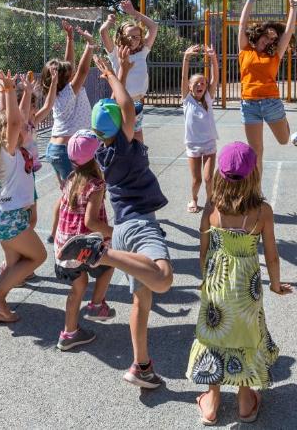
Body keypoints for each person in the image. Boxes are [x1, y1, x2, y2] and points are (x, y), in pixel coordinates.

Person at [56, 48, 175, 389]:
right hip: (138, 226)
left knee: (143, 296)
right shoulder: (121, 147)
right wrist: (110, 74)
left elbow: (117, 109)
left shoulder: (104, 150)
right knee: (163, 279)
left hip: (122, 229)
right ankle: (100, 254)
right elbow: (123, 106)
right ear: (121, 126)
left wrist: (118, 71)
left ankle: (142, 366)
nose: (134, 119)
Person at [187, 142, 290, 425]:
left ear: (220, 174)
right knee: (246, 334)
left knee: (214, 334)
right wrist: (276, 285)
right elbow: (272, 255)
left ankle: (212, 400)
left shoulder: (212, 208)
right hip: (247, 286)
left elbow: (204, 249)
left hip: (217, 283)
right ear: (253, 175)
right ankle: (245, 401)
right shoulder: (262, 212)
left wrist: (205, 278)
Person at [0, 71, 48, 322]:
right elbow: (13, 122)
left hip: (8, 215)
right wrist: (9, 91)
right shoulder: (8, 153)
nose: (22, 126)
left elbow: (14, 120)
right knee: (38, 256)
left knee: (13, 265)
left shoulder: (13, 150)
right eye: (17, 126)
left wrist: (26, 91)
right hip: (9, 217)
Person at [52, 130, 117, 351]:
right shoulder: (95, 185)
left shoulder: (71, 178)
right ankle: (97, 305)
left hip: (65, 247)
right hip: (81, 245)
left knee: (78, 286)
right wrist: (113, 231)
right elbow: (90, 222)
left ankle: (68, 334)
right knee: (110, 265)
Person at [237, 0, 297, 168]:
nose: (271, 39)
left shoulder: (274, 55)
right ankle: (256, 191)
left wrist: (294, 7)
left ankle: (284, 120)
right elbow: (242, 25)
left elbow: (289, 31)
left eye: (274, 38)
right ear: (260, 32)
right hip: (249, 104)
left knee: (283, 140)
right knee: (256, 151)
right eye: (269, 35)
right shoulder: (245, 49)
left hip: (271, 102)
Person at [41, 21, 96, 242]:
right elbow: (81, 69)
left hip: (56, 149)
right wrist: (89, 46)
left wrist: (70, 40)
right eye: (68, 72)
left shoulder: (60, 91)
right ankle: (68, 235)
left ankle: (55, 233)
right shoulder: (68, 92)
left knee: (67, 192)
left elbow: (70, 66)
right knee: (76, 195)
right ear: (66, 78)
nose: (72, 70)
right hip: (66, 151)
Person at [100, 0, 159, 143]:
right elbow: (103, 31)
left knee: (138, 140)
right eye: (130, 36)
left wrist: (133, 13)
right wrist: (108, 21)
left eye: (137, 37)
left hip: (137, 103)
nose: (134, 40)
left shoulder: (142, 52)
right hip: (121, 104)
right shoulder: (115, 53)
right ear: (121, 36)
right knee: (120, 141)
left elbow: (153, 27)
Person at [181, 43, 220, 213]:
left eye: (203, 83)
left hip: (209, 143)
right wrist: (186, 58)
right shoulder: (187, 100)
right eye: (196, 83)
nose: (200, 85)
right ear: (190, 87)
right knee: (197, 180)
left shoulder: (209, 99)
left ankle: (210, 201)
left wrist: (213, 58)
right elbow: (183, 77)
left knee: (208, 178)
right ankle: (194, 199)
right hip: (193, 145)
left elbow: (215, 78)